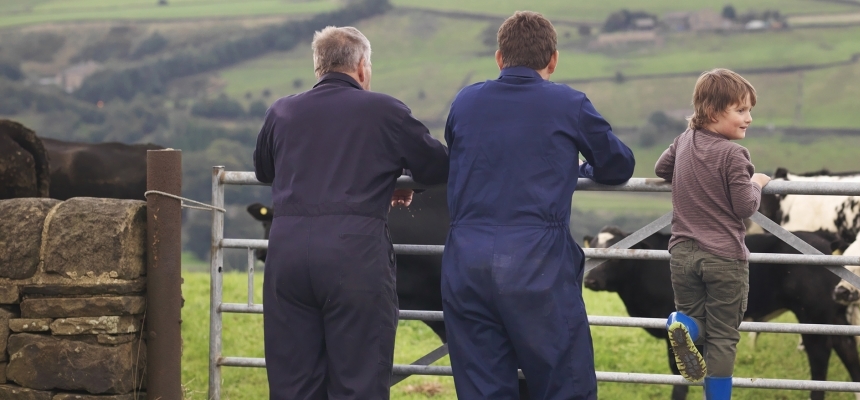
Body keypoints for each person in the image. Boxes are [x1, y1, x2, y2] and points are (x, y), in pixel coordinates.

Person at [440, 11, 636, 399]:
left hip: (466, 261)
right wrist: (582, 166)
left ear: (499, 58)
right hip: (538, 263)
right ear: (553, 60)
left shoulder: (465, 101)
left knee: (482, 387)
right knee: (564, 383)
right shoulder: (568, 103)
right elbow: (618, 164)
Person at [253, 26, 449, 400]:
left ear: (318, 67)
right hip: (354, 254)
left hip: (288, 255)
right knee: (358, 379)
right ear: (362, 67)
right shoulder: (384, 110)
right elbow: (438, 166)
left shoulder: (281, 111)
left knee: (293, 381)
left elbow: (265, 170)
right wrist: (396, 179)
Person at [654, 68, 771, 399]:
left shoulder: (684, 140)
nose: (748, 118)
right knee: (723, 336)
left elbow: (662, 169)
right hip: (723, 258)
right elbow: (745, 206)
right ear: (712, 111)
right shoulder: (734, 154)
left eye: (749, 110)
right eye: (741, 110)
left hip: (682, 254)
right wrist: (757, 181)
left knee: (700, 326)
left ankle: (684, 324)